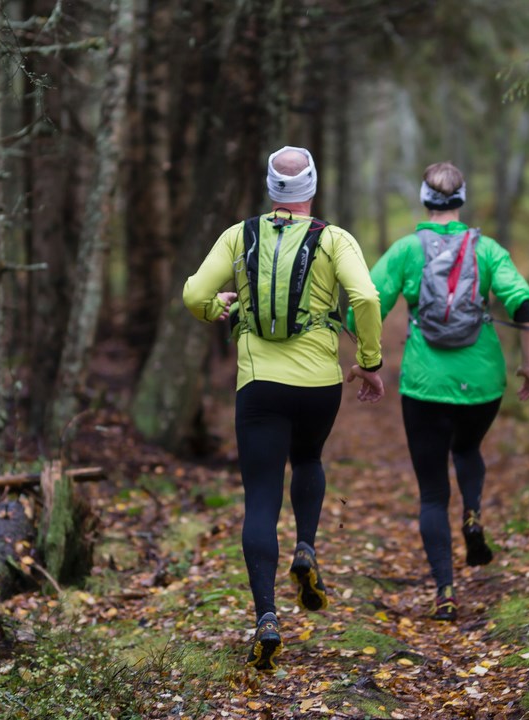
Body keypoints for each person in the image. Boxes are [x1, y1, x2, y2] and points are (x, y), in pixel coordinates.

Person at [183, 146, 385, 671]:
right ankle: (306, 549)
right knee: (310, 460)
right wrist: (369, 361)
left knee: (260, 498)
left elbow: (193, 294)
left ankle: (267, 617)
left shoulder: (238, 235)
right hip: (319, 382)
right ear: (311, 187)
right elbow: (365, 298)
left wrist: (215, 306)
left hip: (259, 385)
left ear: (272, 188)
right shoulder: (334, 238)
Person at [358, 161, 529, 621]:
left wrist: (366, 360)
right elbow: (522, 301)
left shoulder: (405, 250)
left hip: (425, 383)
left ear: (424, 198)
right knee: (469, 448)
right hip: (482, 380)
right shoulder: (488, 249)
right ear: (460, 200)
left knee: (433, 493)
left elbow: (366, 302)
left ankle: (445, 591)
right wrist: (528, 365)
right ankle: (474, 512)